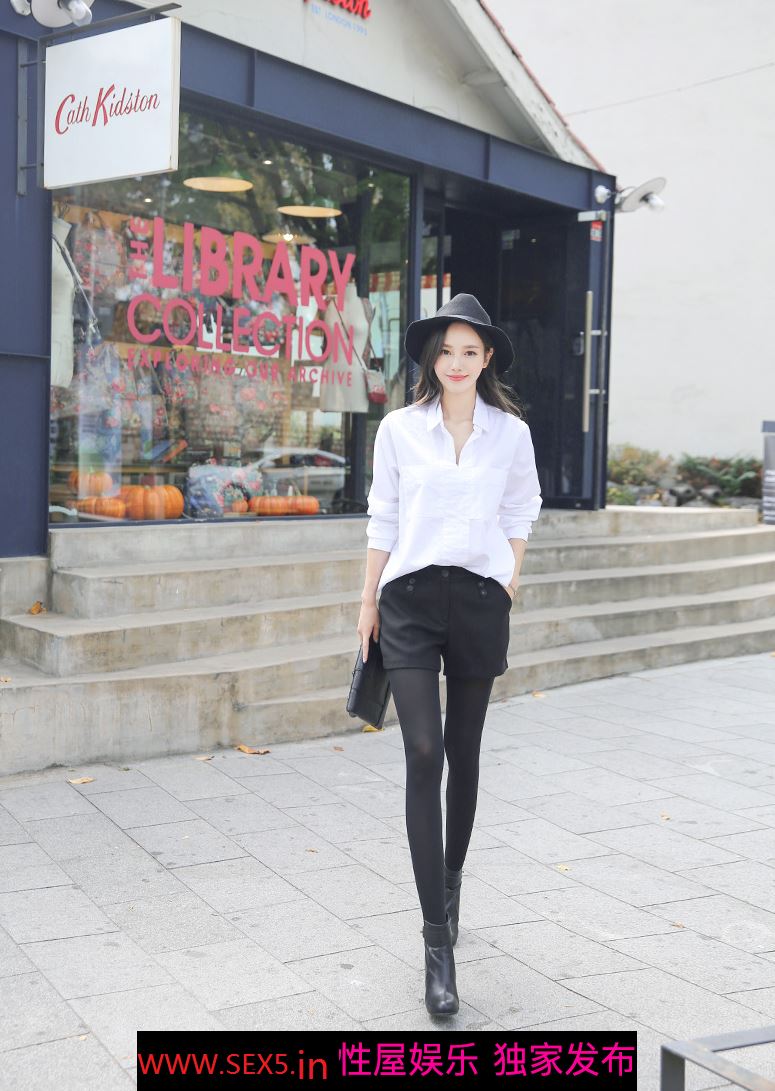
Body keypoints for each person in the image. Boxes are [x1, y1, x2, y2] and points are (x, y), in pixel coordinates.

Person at [356, 294, 542, 1017]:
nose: (456, 363)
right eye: (445, 351)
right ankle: (437, 944)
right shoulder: (399, 429)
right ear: (430, 359)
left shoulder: (510, 434)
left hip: (477, 600)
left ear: (486, 357)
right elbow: (383, 515)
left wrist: (508, 574)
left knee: (464, 753)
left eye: (469, 351)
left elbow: (520, 507)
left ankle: (451, 883)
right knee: (423, 751)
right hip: (407, 599)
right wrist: (367, 602)